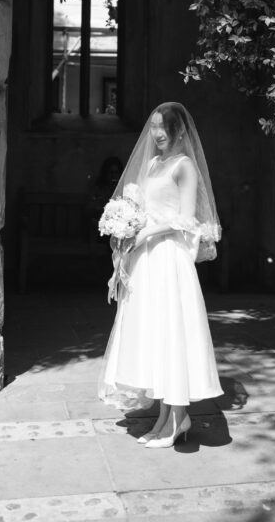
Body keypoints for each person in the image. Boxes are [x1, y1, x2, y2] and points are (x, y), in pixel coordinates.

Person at [98, 101, 223, 447]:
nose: (156, 133)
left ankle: (178, 419)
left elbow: (186, 219)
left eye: (162, 126)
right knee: (154, 335)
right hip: (146, 261)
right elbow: (143, 207)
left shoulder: (184, 166)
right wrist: (125, 227)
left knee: (171, 333)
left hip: (168, 257)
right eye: (153, 126)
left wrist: (146, 233)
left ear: (179, 130)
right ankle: (164, 419)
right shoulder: (153, 164)